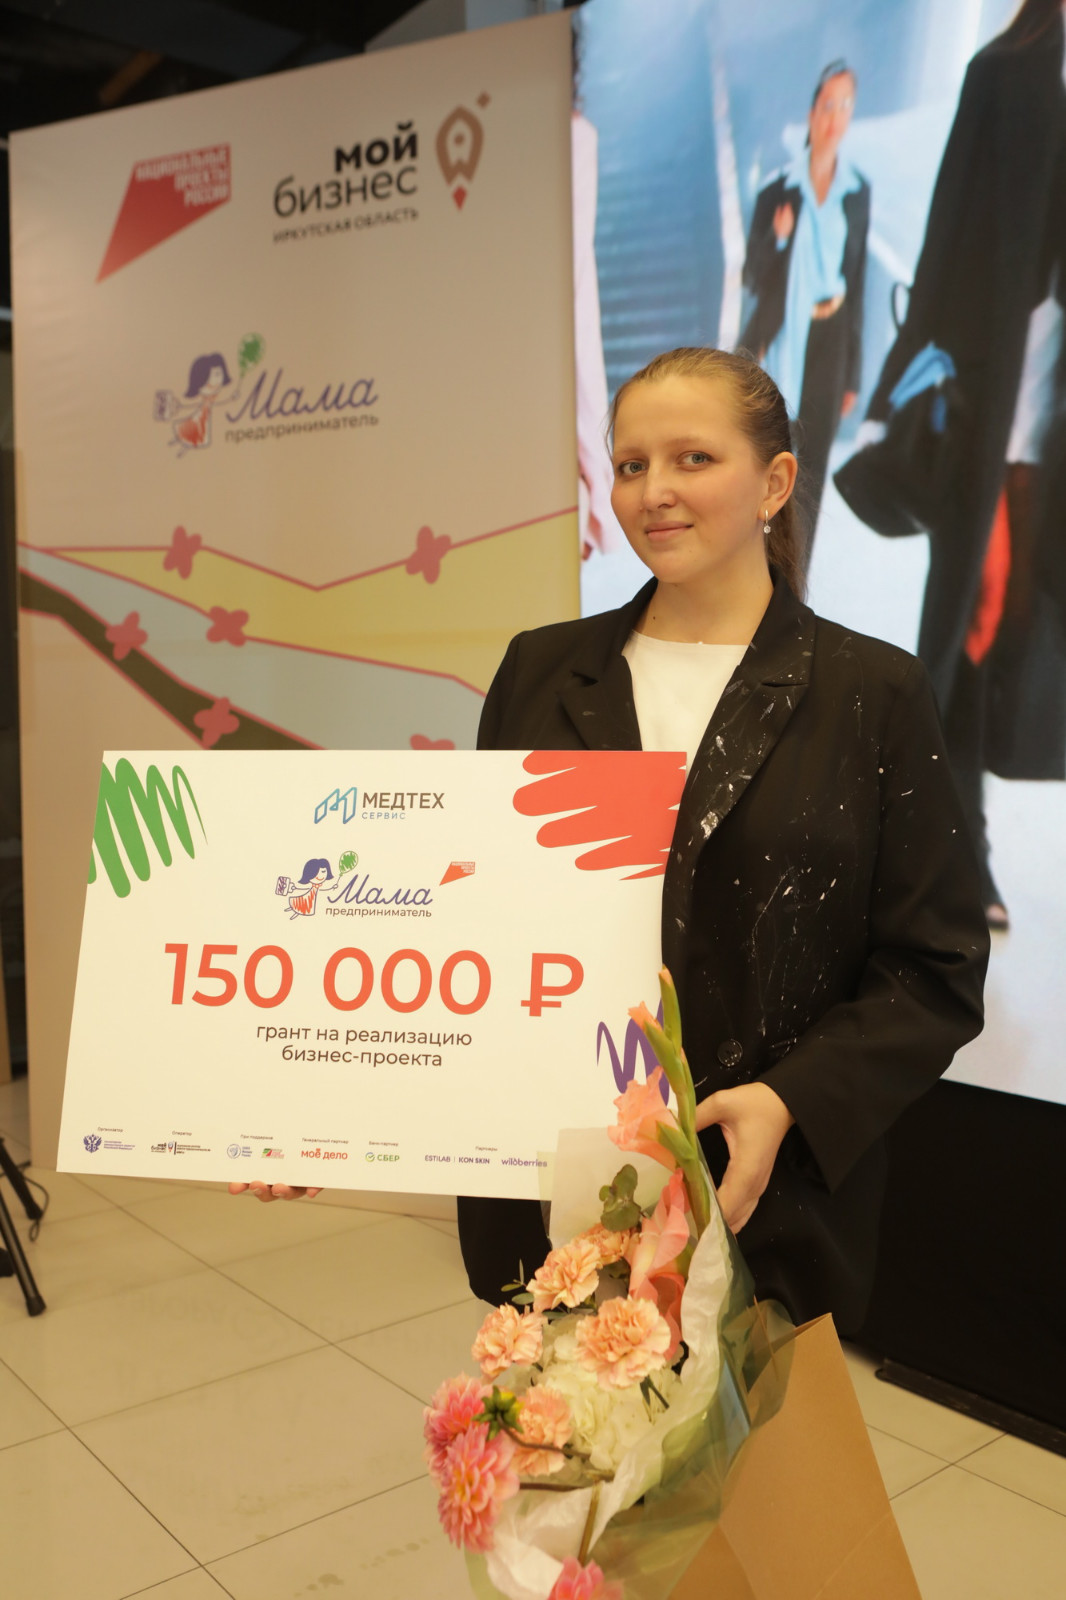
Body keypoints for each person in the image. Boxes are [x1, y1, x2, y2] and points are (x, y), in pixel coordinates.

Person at [234, 348, 989, 1336]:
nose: (653, 491)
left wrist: (790, 1099)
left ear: (774, 483)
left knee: (740, 1442)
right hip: (553, 1202)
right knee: (558, 1435)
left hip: (763, 1203)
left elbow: (932, 970)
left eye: (691, 459)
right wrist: (325, 1111)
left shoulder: (872, 693)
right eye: (631, 465)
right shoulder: (540, 671)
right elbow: (468, 930)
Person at [857, 0, 1066, 931]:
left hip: (1054, 410)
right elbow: (946, 229)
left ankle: (953, 840)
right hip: (989, 395)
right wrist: (900, 375)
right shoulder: (1005, 69)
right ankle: (939, 844)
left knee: (1014, 625)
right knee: (966, 618)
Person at [740, 61, 869, 567]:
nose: (835, 117)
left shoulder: (857, 191)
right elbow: (753, 276)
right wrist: (778, 238)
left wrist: (853, 371)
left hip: (831, 335)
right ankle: (758, 573)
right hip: (781, 337)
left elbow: (857, 282)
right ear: (813, 112)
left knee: (812, 473)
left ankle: (794, 587)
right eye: (827, 105)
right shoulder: (778, 188)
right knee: (773, 465)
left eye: (845, 106)